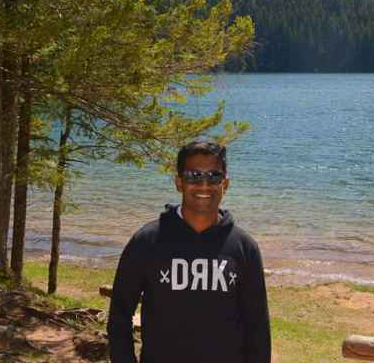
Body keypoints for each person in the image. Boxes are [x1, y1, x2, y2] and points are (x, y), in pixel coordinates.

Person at [107, 140, 271, 362]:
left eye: (214, 176)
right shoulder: (147, 241)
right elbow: (119, 315)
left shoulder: (244, 248)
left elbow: (257, 327)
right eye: (194, 175)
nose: (204, 184)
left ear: (226, 183)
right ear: (179, 182)